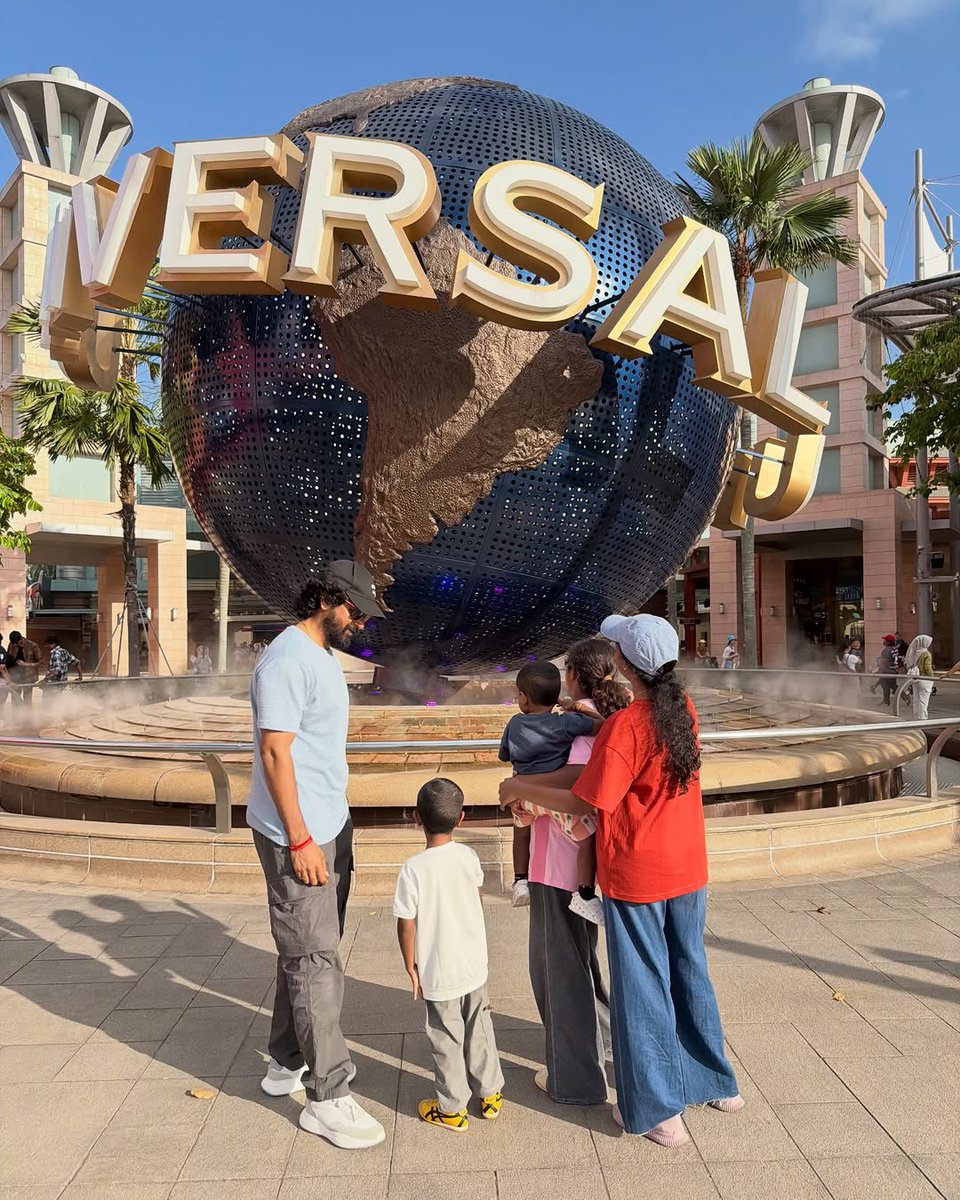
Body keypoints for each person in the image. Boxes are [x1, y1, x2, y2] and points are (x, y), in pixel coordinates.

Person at [500, 614, 742, 1147]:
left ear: (626, 665)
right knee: (688, 969)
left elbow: (586, 801)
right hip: (688, 865)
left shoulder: (626, 727)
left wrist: (518, 787)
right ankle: (714, 1082)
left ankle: (657, 1111)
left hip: (638, 872)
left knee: (641, 987)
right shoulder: (682, 708)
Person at [247, 560, 387, 1150]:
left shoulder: (321, 655)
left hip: (330, 822)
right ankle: (328, 1097)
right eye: (356, 611)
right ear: (328, 599)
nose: (361, 623)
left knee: (310, 949)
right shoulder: (286, 661)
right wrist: (300, 839)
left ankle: (286, 1061)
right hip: (298, 835)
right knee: (314, 959)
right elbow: (274, 754)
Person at [394, 778, 504, 1132]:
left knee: (445, 1036)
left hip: (439, 970)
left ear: (416, 818)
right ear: (461, 819)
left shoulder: (413, 869)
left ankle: (452, 1108)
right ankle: (490, 1094)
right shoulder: (468, 856)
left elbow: (406, 924)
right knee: (479, 1025)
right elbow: (476, 898)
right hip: (473, 962)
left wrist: (410, 964)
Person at [499, 661, 601, 910]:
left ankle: (520, 880)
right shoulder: (565, 722)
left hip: (523, 799)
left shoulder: (514, 724)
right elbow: (604, 725)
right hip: (553, 797)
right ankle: (585, 893)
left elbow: (504, 755)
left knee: (521, 832)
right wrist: (577, 707)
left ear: (523, 698)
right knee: (587, 837)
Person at [5, 630, 42, 704]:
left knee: (27, 700)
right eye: (14, 644)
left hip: (28, 677)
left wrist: (26, 664)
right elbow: (8, 658)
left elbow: (41, 663)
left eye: (18, 643)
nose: (16, 645)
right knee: (15, 700)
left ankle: (27, 712)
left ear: (21, 638)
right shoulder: (12, 644)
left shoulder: (33, 645)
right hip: (15, 677)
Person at [904, 634, 935, 719]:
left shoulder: (914, 652)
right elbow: (927, 667)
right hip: (924, 679)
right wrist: (932, 678)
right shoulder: (926, 654)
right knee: (923, 701)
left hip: (915, 678)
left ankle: (916, 717)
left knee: (916, 699)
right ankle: (922, 719)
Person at [876, 634, 899, 707]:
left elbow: (883, 661)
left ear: (888, 642)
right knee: (893, 686)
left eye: (885, 640)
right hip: (893, 669)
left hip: (887, 670)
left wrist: (879, 670)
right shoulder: (894, 649)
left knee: (886, 686)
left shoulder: (886, 650)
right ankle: (886, 701)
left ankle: (886, 701)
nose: (883, 641)